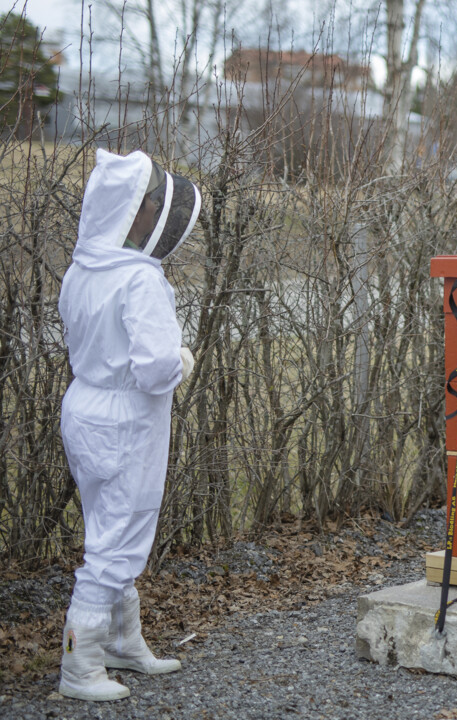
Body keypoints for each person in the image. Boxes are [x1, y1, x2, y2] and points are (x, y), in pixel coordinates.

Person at [57, 149, 201, 701]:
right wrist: (183, 360)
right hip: (125, 422)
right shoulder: (139, 279)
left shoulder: (82, 269)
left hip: (84, 409)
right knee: (116, 542)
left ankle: (122, 641)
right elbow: (156, 369)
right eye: (149, 202)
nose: (156, 211)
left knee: (107, 528)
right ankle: (79, 666)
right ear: (129, 209)